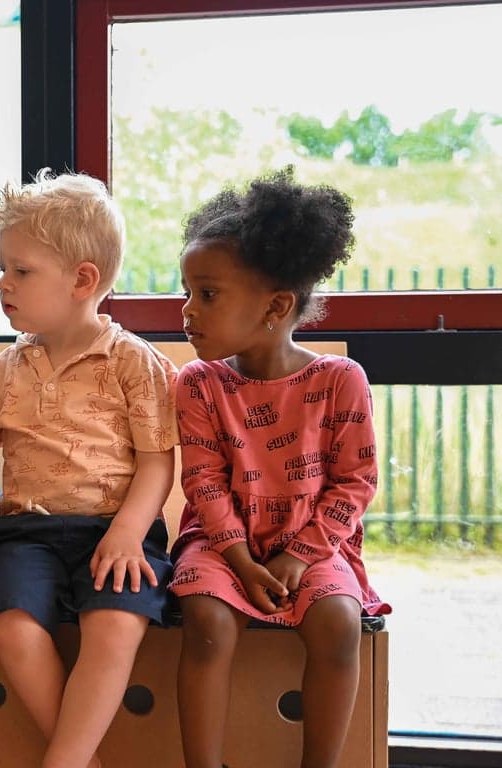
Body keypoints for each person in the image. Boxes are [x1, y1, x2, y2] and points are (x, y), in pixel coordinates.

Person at [0, 170, 178, 768]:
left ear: (82, 280)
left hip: (116, 532)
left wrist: (125, 533)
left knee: (116, 625)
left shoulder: (132, 363)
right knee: (11, 623)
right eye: (2, 267)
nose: (2, 283)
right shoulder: (3, 371)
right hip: (27, 535)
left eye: (21, 270)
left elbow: (157, 464)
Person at [168, 168, 391, 768]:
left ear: (276, 306)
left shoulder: (340, 381)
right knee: (208, 620)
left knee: (340, 625)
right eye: (186, 290)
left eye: (207, 294)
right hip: (218, 545)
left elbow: (355, 482)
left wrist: (296, 557)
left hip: (313, 547)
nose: (187, 310)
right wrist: (241, 561)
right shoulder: (198, 384)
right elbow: (204, 482)